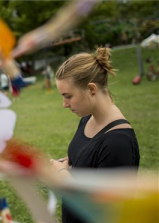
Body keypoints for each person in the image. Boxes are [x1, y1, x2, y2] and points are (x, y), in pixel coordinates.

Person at [49, 48, 140, 223]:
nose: (64, 104)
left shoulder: (117, 142)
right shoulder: (87, 119)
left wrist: (62, 176)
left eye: (68, 96)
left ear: (91, 89)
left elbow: (108, 212)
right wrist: (69, 164)